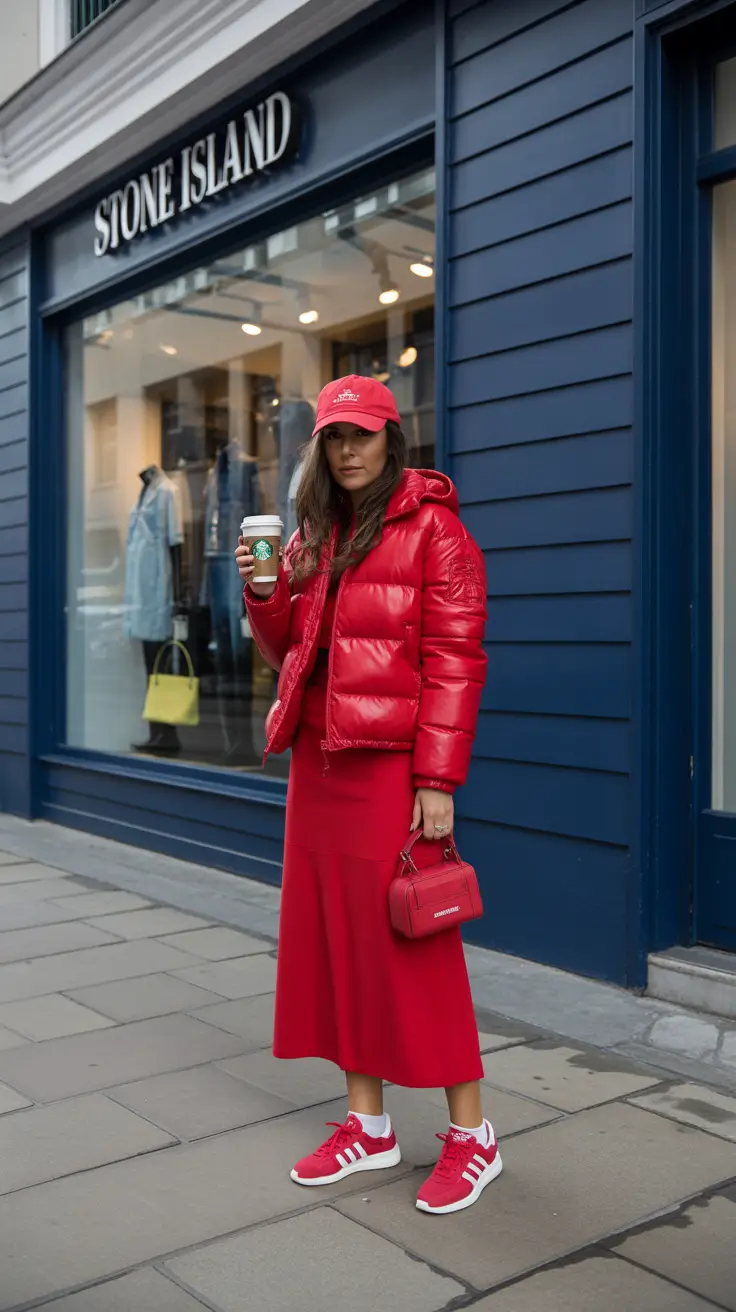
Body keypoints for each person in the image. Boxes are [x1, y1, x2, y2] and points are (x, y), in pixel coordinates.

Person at [235, 375, 500, 1216]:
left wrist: (437, 780)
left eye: (363, 434)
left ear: (393, 438)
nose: (348, 450)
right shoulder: (318, 532)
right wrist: (264, 593)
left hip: (391, 770)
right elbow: (289, 651)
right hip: (320, 766)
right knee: (337, 945)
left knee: (415, 948)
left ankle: (473, 1138)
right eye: (334, 437)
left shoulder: (439, 534)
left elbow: (455, 665)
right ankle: (369, 1124)